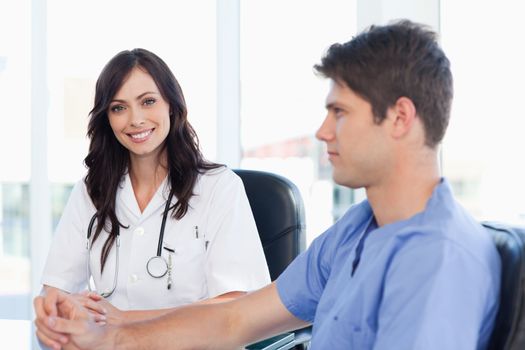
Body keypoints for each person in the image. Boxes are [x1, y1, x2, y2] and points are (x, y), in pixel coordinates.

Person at [34, 20, 501, 349]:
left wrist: (117, 332)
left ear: (399, 117)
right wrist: (111, 336)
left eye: (339, 112)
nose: (321, 131)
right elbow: (237, 318)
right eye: (118, 107)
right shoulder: (356, 230)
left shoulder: (440, 261)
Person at [34, 48, 270, 348]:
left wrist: (124, 320)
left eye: (148, 102)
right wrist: (54, 313)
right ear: (106, 118)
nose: (135, 119)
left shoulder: (219, 188)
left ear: (171, 104)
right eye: (119, 108)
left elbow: (237, 306)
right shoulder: (91, 191)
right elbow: (57, 290)